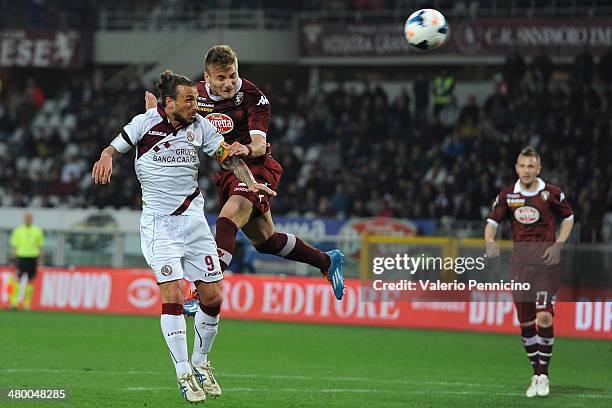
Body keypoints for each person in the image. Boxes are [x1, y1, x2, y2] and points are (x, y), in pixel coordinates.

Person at [92, 70, 275, 404]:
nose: (196, 105)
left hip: (193, 222)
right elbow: (113, 148)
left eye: (195, 98)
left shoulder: (201, 127)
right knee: (173, 292)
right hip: (159, 224)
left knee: (214, 297)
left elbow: (228, 158)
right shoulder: (144, 123)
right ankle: (183, 372)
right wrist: (105, 157)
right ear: (169, 102)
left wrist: (249, 181)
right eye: (189, 100)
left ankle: (201, 362)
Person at [145, 45, 345, 301]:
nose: (229, 83)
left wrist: (246, 148)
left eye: (233, 76)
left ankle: (203, 291)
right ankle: (327, 261)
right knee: (266, 242)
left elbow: (260, 144)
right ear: (207, 78)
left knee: (227, 220)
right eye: (221, 78)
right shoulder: (195, 97)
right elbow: (171, 118)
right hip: (229, 171)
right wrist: (154, 112)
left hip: (257, 168)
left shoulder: (253, 97)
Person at [484, 146, 574, 398]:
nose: (526, 171)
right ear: (516, 168)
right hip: (520, 266)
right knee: (525, 323)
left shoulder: (551, 193)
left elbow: (569, 218)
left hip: (547, 263)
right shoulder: (508, 195)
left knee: (544, 317)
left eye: (531, 166)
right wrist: (489, 241)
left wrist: (558, 244)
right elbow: (492, 222)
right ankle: (536, 373)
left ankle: (543, 375)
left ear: (538, 169)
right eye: (522, 166)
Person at [9, 212, 45, 311]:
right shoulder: (18, 230)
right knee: (17, 280)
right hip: (21, 257)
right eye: (26, 217)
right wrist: (13, 260)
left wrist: (40, 260)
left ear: (32, 219)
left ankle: (27, 304)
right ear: (24, 219)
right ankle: (14, 303)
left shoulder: (37, 230)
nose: (28, 219)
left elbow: (41, 247)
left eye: (29, 217)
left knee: (30, 281)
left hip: (32, 257)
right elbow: (14, 246)